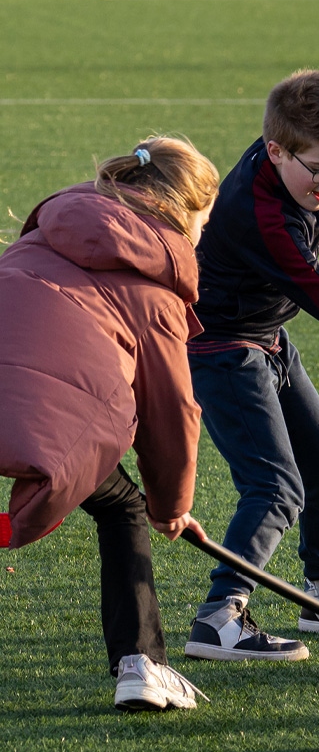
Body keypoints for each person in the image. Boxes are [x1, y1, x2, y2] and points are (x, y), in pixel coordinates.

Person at [0, 136, 219, 710]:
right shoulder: (156, 292)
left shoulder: (49, 231)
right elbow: (171, 415)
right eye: (204, 219)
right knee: (124, 508)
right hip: (46, 411)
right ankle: (142, 667)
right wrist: (170, 507)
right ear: (181, 211)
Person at [184, 69, 319, 663]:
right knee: (275, 487)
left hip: (265, 336)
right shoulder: (263, 217)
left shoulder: (299, 150)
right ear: (275, 151)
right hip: (221, 349)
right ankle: (219, 617)